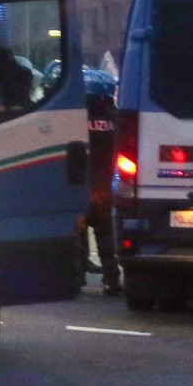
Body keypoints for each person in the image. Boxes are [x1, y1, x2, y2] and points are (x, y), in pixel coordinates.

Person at [81, 68, 121, 295]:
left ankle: (75, 278)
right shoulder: (114, 118)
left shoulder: (76, 117)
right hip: (104, 186)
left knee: (76, 235)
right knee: (105, 236)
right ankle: (111, 279)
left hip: (78, 185)